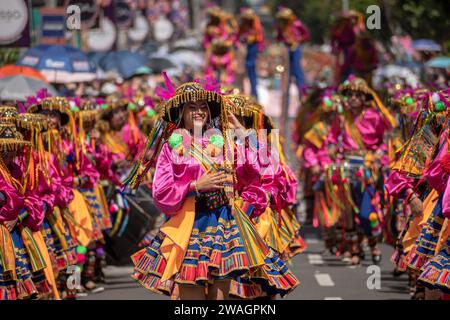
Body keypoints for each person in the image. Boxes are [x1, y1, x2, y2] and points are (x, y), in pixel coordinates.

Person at [128, 81, 299, 300]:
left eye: (203, 106)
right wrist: (195, 186)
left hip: (224, 223)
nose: (199, 111)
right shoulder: (171, 148)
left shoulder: (225, 141)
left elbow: (267, 167)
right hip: (191, 225)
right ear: (181, 112)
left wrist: (245, 134)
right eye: (192, 107)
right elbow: (161, 193)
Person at [275, 7, 310, 94]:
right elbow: (278, 38)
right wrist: (284, 41)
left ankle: (302, 92)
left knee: (297, 69)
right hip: (286, 49)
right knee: (287, 73)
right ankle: (286, 93)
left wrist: (298, 40)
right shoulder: (281, 27)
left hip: (295, 48)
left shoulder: (297, 24)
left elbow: (306, 35)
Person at [238, 8, 264, 99]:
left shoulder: (255, 24)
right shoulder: (243, 25)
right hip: (243, 49)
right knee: (240, 70)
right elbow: (238, 35)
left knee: (250, 66)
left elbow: (259, 36)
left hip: (252, 47)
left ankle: (254, 93)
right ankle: (241, 92)